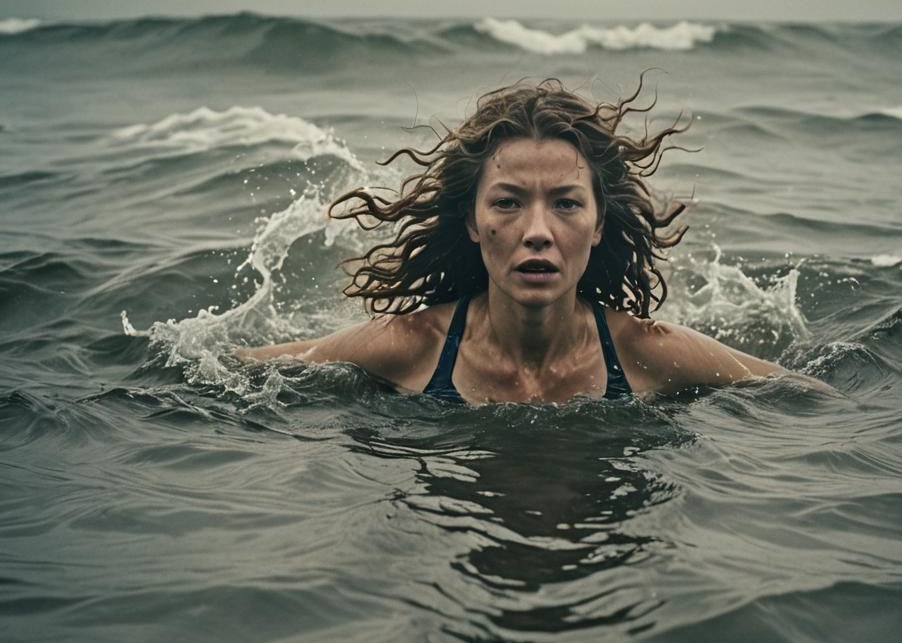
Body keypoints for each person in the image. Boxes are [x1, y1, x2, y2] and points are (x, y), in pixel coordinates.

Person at [237, 78, 795, 404]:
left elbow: (800, 395)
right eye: (507, 202)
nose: (536, 233)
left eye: (566, 204)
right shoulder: (411, 345)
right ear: (473, 222)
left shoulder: (647, 352)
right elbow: (234, 369)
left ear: (599, 225)